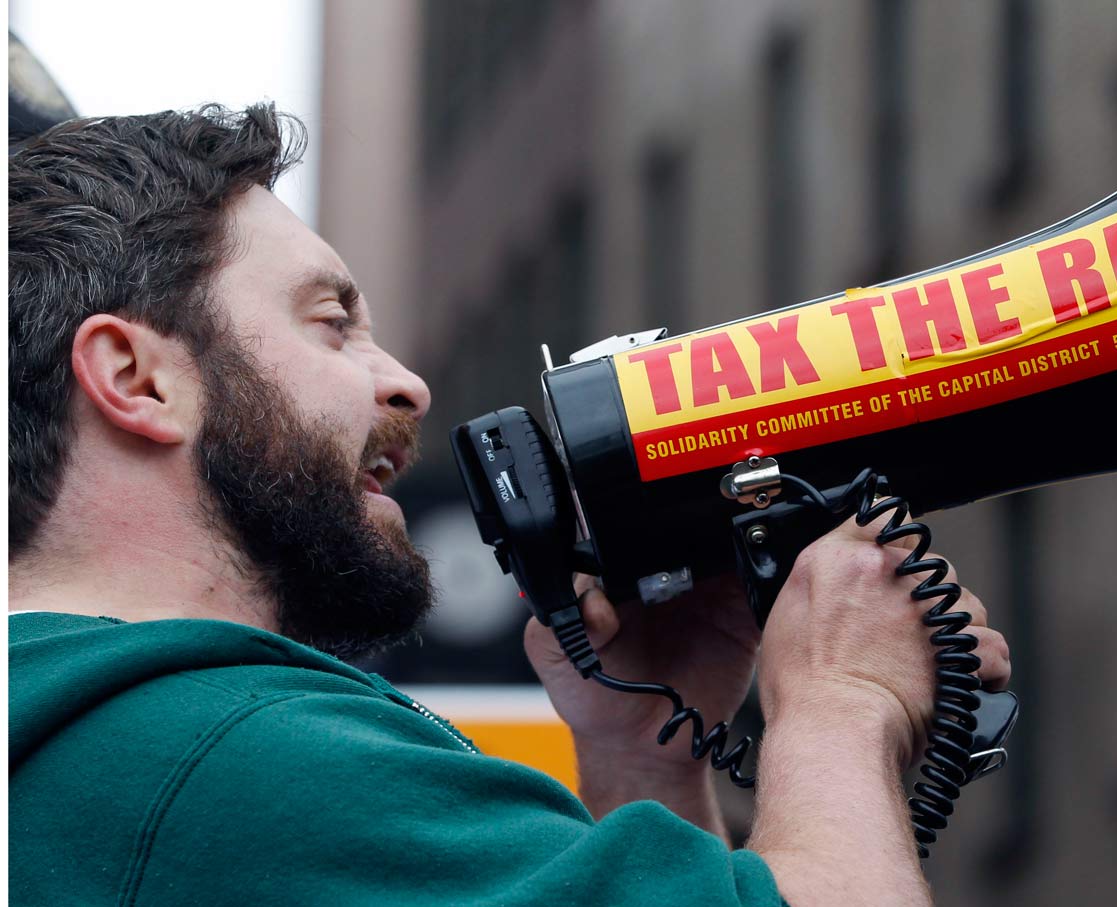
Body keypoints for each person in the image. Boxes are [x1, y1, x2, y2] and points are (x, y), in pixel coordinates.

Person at [8, 105, 1011, 907]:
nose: (404, 382)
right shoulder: (237, 761)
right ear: (136, 379)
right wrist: (844, 702)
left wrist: (642, 766)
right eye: (331, 325)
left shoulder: (81, 745)